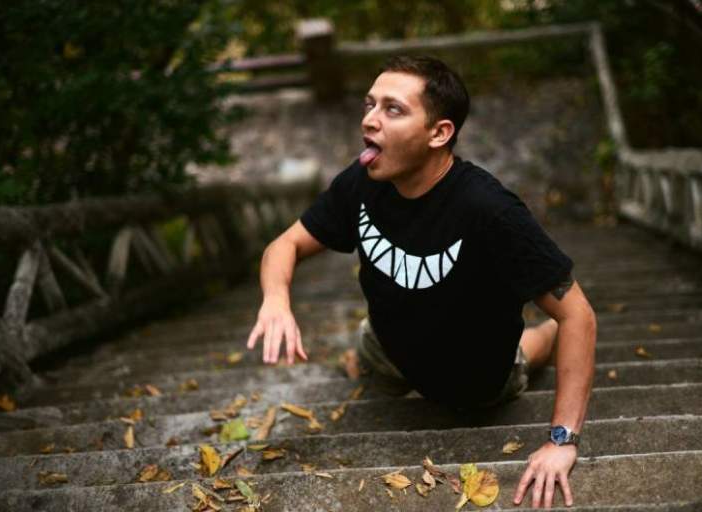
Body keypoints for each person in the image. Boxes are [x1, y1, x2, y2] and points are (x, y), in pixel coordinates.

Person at [246, 55, 596, 509]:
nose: (369, 120)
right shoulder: (361, 181)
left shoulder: (491, 211)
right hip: (383, 346)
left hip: (474, 384)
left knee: (533, 347)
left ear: (439, 133)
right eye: (370, 104)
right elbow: (285, 244)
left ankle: (539, 338)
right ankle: (362, 360)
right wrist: (276, 300)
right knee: (365, 349)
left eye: (393, 109)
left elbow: (578, 314)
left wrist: (562, 440)